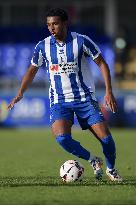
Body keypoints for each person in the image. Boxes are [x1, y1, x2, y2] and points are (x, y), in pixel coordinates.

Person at [8, 8, 122, 182]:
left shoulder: (81, 41)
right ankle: (93, 159)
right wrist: (20, 93)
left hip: (85, 99)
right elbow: (32, 69)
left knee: (106, 139)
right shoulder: (43, 46)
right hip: (59, 101)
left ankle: (111, 169)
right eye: (48, 25)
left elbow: (102, 63)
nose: (51, 28)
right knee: (62, 138)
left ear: (65, 23)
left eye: (55, 24)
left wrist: (108, 91)